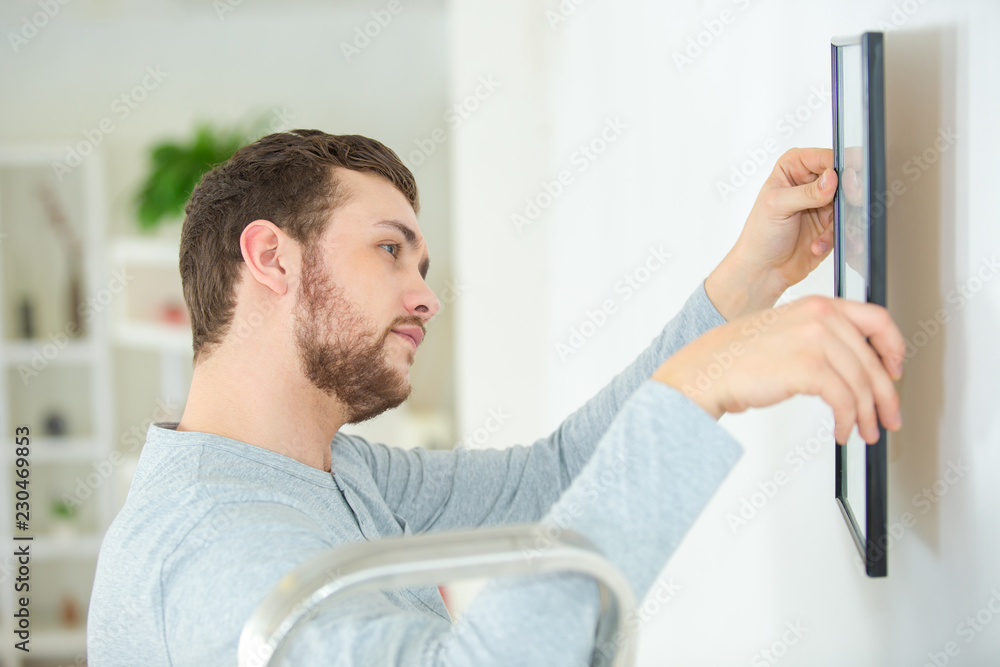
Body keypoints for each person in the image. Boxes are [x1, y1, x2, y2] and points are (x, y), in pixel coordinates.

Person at [86, 130, 904, 666]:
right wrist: (695, 392)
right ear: (270, 257)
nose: (425, 297)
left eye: (423, 267)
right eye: (389, 251)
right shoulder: (211, 548)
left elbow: (550, 480)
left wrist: (746, 283)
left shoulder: (333, 471)